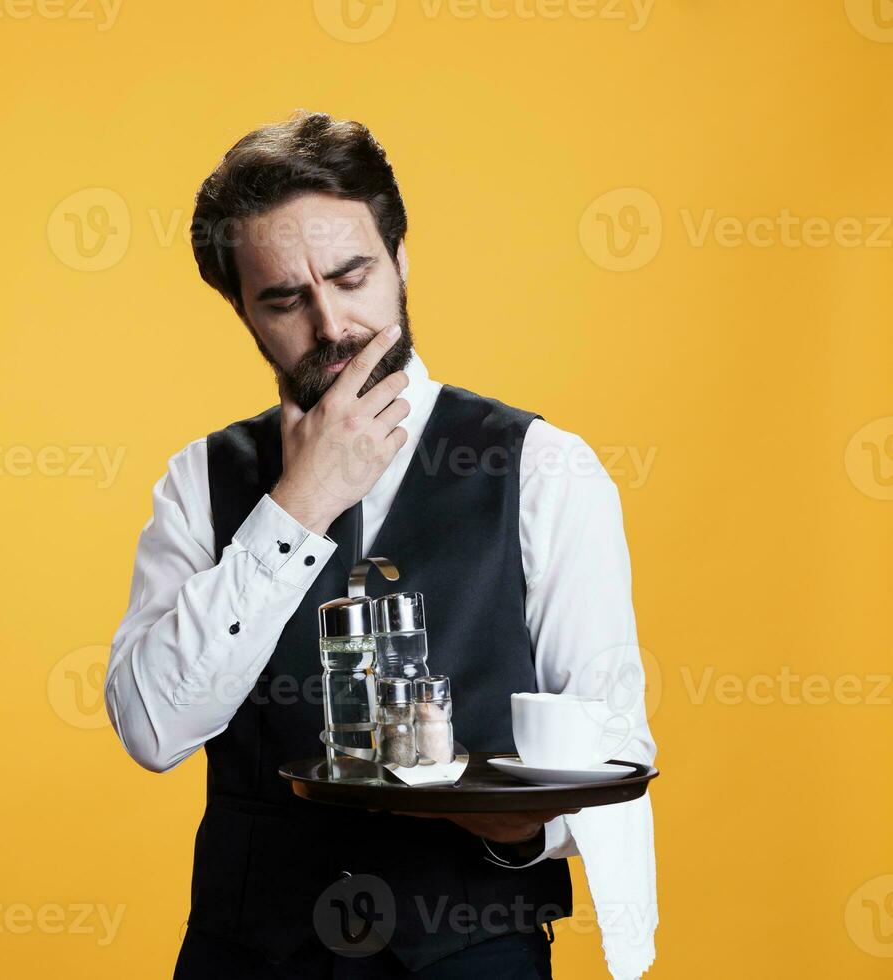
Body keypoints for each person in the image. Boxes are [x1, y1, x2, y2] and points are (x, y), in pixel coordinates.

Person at [105, 110, 657, 979]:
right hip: (248, 958)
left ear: (400, 262)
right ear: (243, 312)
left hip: (471, 955)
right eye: (284, 299)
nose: (332, 325)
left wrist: (526, 829)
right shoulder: (197, 483)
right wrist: (300, 504)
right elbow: (151, 727)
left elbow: (616, 737)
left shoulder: (547, 469)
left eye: (352, 276)